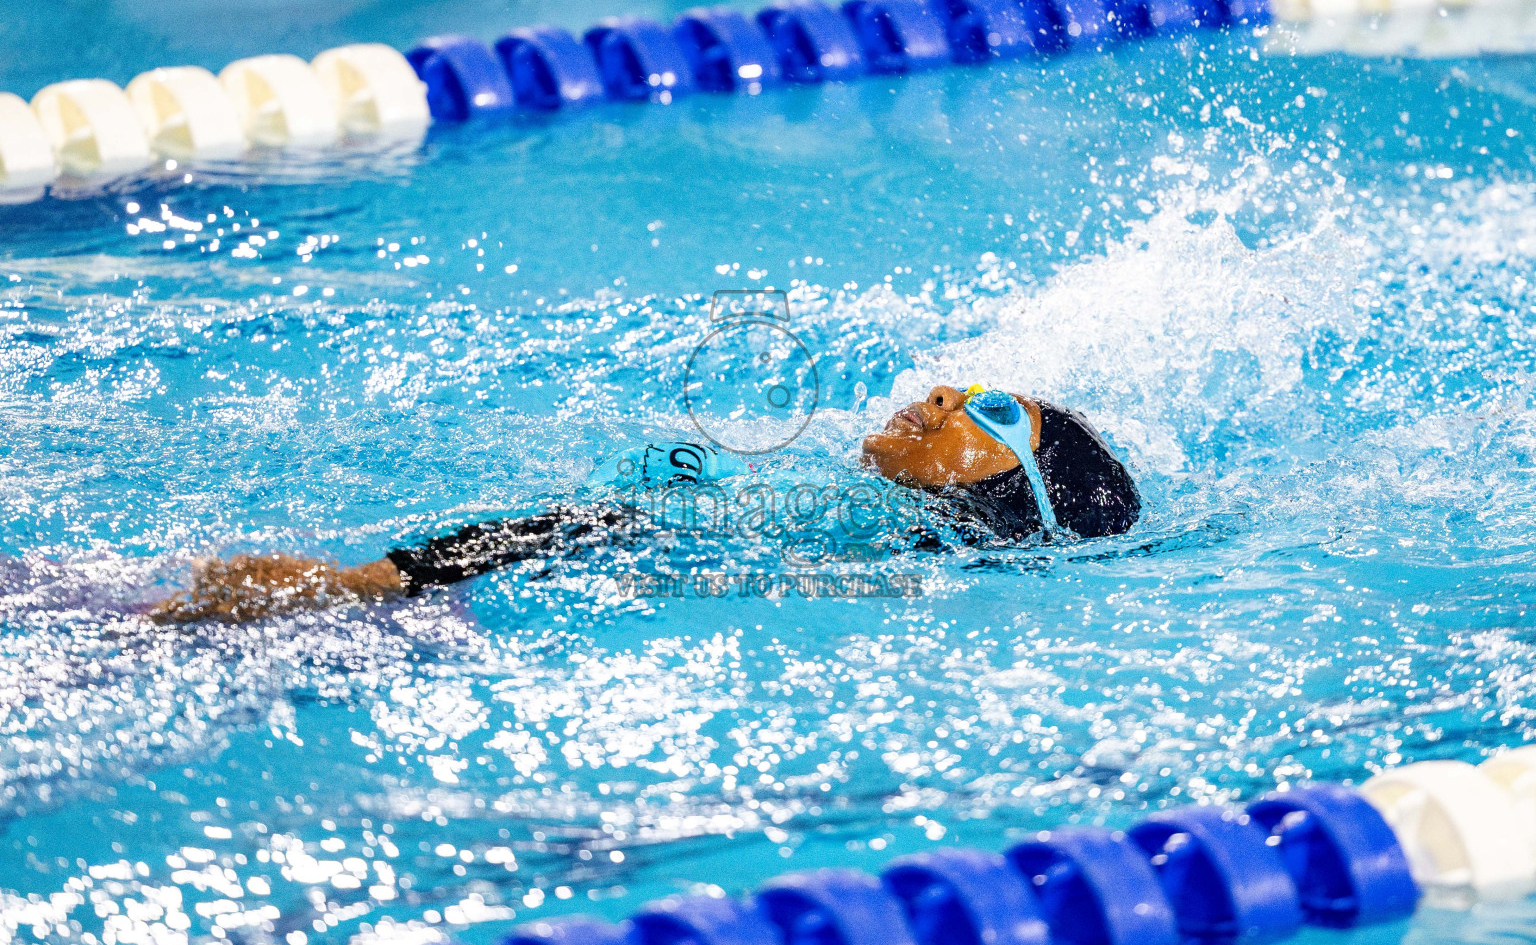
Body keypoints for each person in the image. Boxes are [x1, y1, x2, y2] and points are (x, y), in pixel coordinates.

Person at [149, 385, 1139, 623]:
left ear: (1016, 490)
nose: (942, 397)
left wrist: (375, 578)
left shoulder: (884, 562)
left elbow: (612, 528)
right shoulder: (862, 526)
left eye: (993, 411)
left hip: (435, 605)